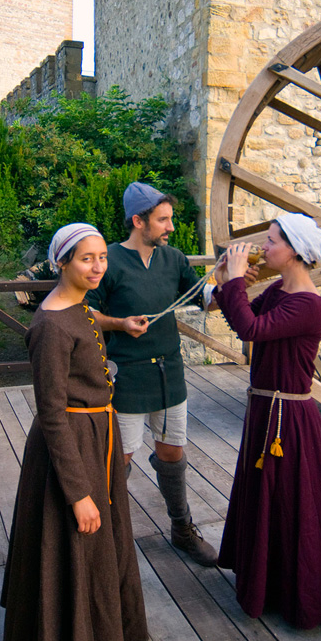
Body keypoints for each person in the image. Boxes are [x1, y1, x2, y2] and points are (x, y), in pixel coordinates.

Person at [0, 223, 148, 641]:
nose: (98, 266)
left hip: (97, 439)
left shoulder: (79, 306)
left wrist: (119, 324)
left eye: (102, 257)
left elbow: (88, 319)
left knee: (95, 554)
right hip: (69, 450)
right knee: (66, 557)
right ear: (61, 262)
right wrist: (78, 493)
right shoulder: (48, 327)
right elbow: (51, 413)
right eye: (86, 258)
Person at [213, 214, 321, 641]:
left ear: (296, 252)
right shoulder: (280, 291)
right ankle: (277, 589)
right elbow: (243, 318)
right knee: (271, 502)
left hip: (291, 420)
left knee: (309, 509)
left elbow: (251, 329)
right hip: (265, 411)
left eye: (272, 241)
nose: (265, 247)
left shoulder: (308, 304)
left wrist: (236, 282)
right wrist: (227, 280)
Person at [86, 182, 219, 566]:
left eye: (170, 219)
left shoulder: (173, 258)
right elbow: (84, 310)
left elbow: (205, 299)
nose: (171, 227)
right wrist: (119, 323)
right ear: (138, 221)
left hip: (170, 373)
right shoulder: (108, 260)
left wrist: (235, 280)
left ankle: (182, 529)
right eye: (163, 220)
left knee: (172, 452)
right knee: (119, 459)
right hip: (127, 376)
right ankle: (102, 541)